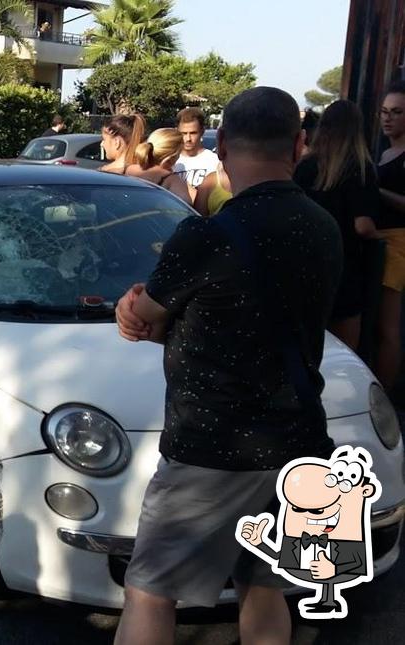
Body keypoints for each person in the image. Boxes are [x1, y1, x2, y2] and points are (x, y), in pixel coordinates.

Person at [113, 87, 343, 644]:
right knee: (263, 589)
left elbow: (147, 314)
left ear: (221, 149)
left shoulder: (206, 234)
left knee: (150, 590)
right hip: (299, 444)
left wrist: (134, 309)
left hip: (212, 446)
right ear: (299, 143)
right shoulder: (323, 227)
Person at [294, 99, 380, 351]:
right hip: (346, 271)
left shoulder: (306, 167)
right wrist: (381, 237)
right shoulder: (361, 168)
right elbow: (363, 226)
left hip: (305, 267)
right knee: (344, 356)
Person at [375, 81, 405, 390]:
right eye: (384, 112)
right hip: (377, 241)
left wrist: (377, 192)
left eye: (396, 112)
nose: (388, 118)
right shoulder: (383, 151)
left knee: (389, 326)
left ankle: (383, 393)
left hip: (398, 243)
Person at [125, 128, 192, 203]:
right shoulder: (173, 181)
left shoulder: (125, 171)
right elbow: (186, 209)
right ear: (171, 157)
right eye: (179, 153)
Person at [173, 107, 220, 200]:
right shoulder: (170, 162)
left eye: (193, 133)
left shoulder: (215, 162)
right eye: (183, 133)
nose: (188, 139)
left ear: (202, 131)